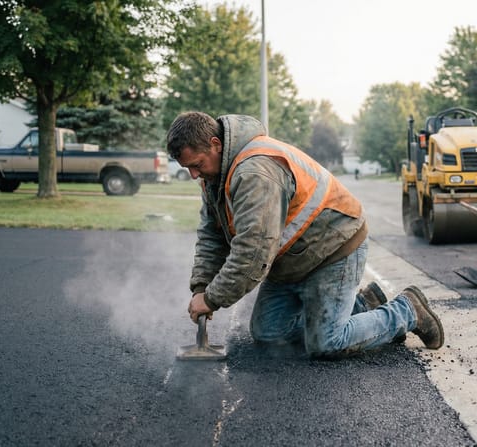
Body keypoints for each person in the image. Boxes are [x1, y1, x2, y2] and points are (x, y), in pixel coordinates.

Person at [166, 112, 444, 358]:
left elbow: (252, 254)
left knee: (326, 342)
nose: (193, 175)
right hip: (294, 260)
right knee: (269, 335)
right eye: (187, 168)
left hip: (333, 248)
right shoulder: (213, 178)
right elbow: (211, 237)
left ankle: (407, 310)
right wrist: (202, 286)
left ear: (215, 144)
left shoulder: (254, 172)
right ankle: (363, 304)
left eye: (197, 164)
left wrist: (213, 298)